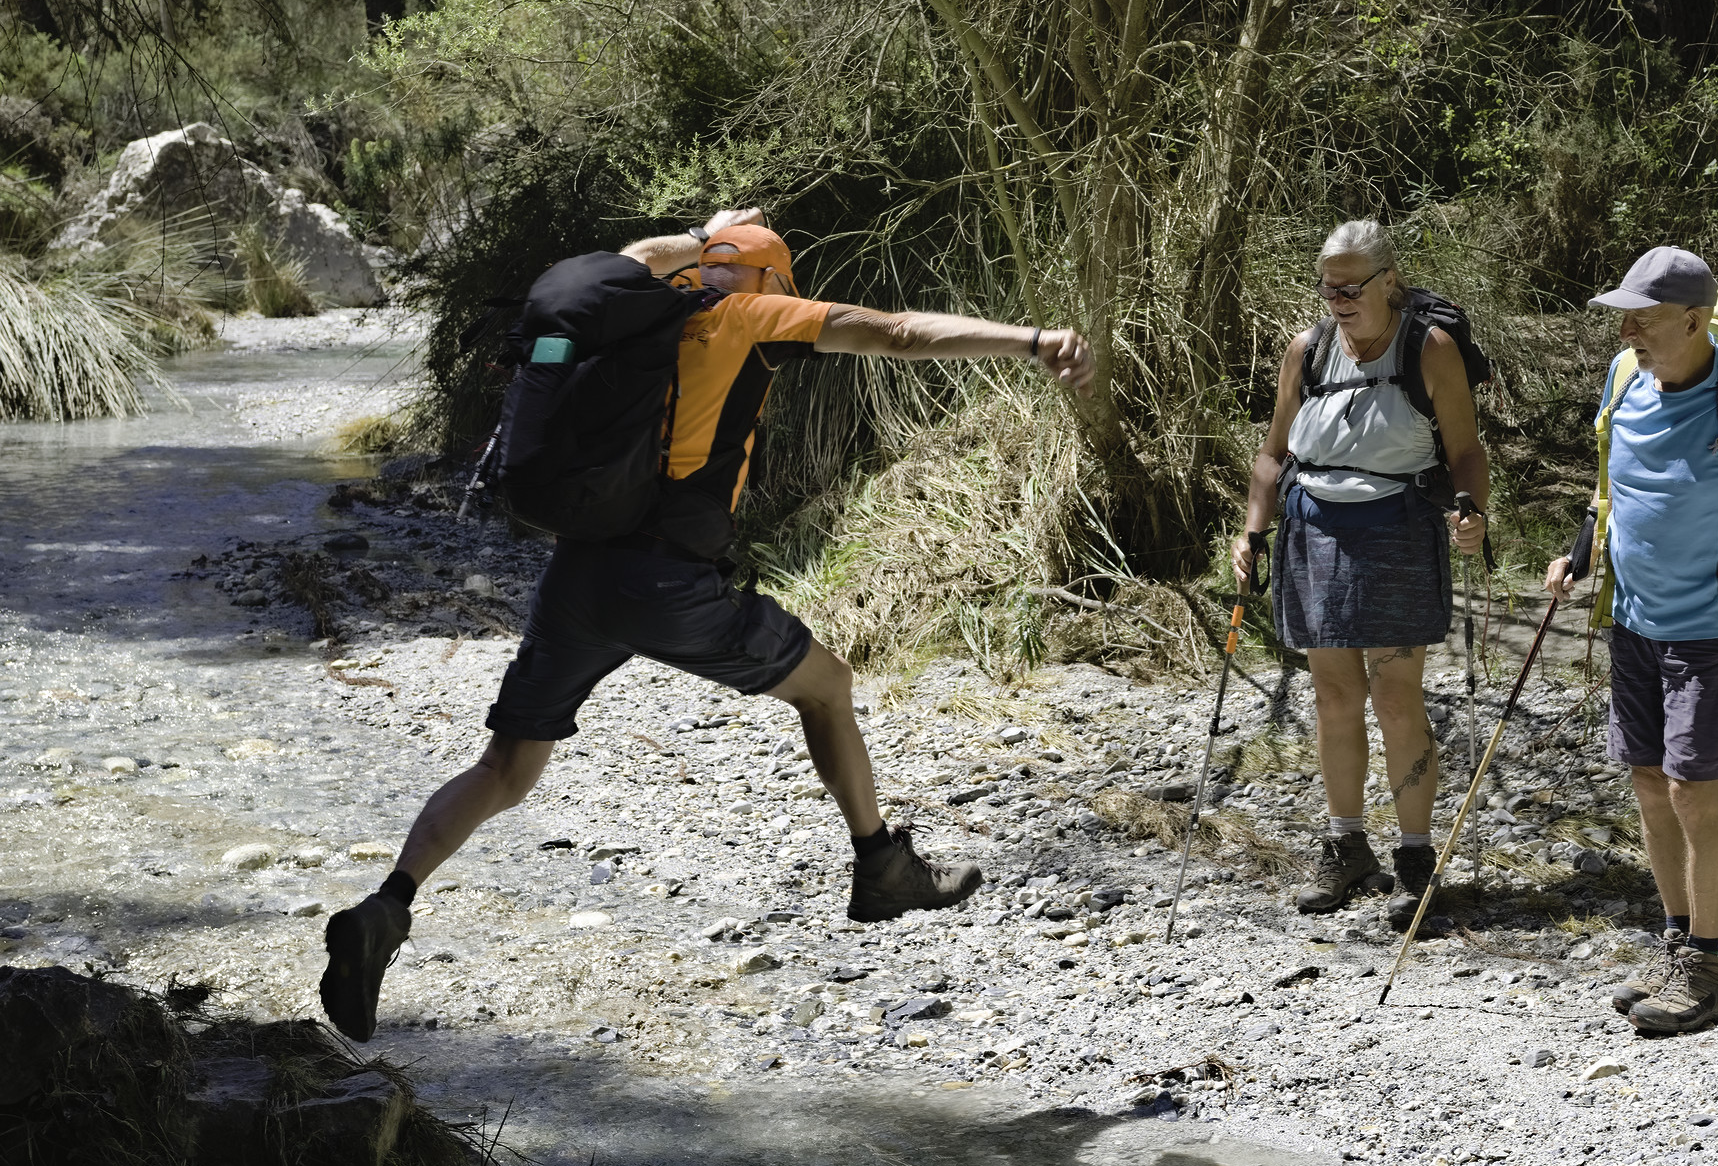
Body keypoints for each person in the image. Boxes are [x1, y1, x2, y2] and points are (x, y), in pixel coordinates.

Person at [319, 209, 1095, 1042]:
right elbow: (901, 334)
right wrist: (1032, 339)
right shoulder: (746, 316)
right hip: (665, 581)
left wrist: (704, 236)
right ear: (768, 281)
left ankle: (387, 906)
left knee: (507, 767)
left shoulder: (633, 306)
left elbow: (627, 258)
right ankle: (882, 868)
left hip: (579, 572)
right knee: (828, 686)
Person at [1545, 245, 1718, 1035]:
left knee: (1689, 787)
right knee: (1646, 781)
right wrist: (1578, 548)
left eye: (1645, 316)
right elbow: (1608, 487)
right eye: (1624, 315)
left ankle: (1705, 967)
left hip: (1707, 624)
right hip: (1629, 619)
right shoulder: (1622, 378)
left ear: (1696, 320)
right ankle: (1675, 943)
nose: (1629, 328)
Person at [1231, 219, 1488, 928]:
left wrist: (1472, 512)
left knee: (1397, 698)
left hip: (1397, 528)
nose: (1338, 299)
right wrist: (1254, 527)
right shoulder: (1306, 351)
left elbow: (1466, 452)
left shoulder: (1428, 349)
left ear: (1389, 280)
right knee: (1334, 695)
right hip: (1313, 529)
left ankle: (1413, 859)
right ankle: (1345, 844)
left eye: (1352, 287)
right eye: (1328, 286)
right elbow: (1272, 454)